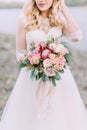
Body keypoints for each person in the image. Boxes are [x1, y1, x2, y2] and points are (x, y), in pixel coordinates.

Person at [0, 0, 87, 129]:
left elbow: (77, 36)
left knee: (59, 115)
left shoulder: (59, 19)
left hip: (57, 79)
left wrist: (64, 8)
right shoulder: (24, 19)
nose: (41, 0)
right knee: (30, 116)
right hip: (32, 78)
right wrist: (35, 61)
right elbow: (19, 53)